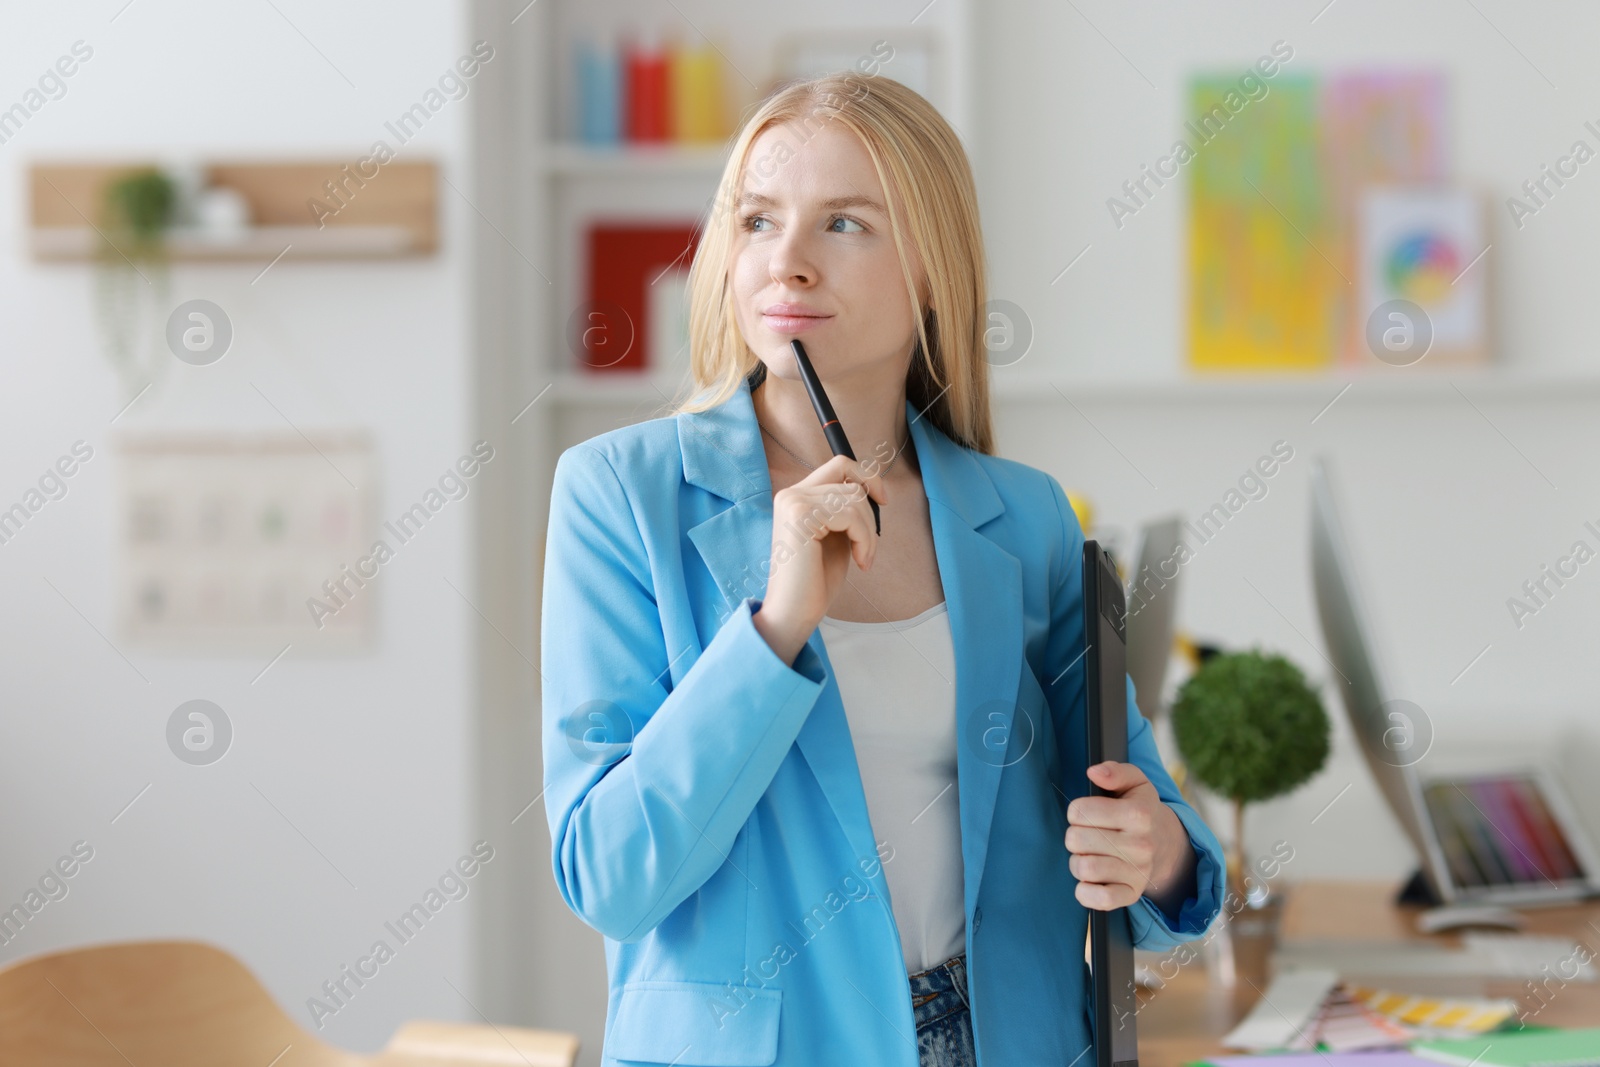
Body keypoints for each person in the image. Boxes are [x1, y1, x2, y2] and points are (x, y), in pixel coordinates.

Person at [541, 71, 1225, 1067]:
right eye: (759, 220)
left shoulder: (1022, 515)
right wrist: (774, 628)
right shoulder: (618, 495)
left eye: (845, 225)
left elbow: (1144, 807)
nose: (788, 263)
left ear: (932, 270)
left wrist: (1153, 852)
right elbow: (611, 874)